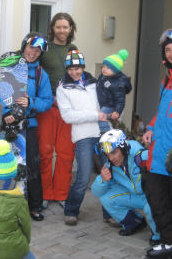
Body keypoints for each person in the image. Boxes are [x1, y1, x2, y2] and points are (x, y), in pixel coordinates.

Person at [0, 32, 53, 221]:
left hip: (29, 124)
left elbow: (47, 101)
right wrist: (8, 110)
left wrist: (30, 101)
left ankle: (33, 205)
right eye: (31, 47)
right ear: (24, 45)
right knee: (5, 163)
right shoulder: (8, 64)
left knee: (32, 165)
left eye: (38, 50)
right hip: (6, 123)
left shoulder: (41, 74)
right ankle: (2, 203)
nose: (33, 53)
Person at [56, 49, 107, 225]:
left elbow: (105, 104)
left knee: (109, 173)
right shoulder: (63, 87)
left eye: (78, 68)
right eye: (71, 69)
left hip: (103, 133)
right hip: (83, 136)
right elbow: (68, 116)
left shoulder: (94, 82)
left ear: (83, 67)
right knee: (84, 177)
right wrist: (95, 115)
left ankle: (111, 214)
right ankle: (71, 210)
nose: (74, 72)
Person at [91, 129, 160, 246]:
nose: (111, 158)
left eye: (113, 152)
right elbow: (96, 192)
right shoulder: (111, 166)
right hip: (136, 197)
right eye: (107, 155)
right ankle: (135, 223)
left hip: (151, 195)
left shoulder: (140, 156)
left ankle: (159, 236)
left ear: (123, 148)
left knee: (150, 208)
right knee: (106, 198)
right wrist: (102, 179)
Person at [37, 12, 77, 209]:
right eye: (58, 26)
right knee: (44, 151)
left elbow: (79, 76)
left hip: (68, 107)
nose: (62, 30)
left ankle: (61, 194)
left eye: (66, 27)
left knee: (66, 153)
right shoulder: (44, 48)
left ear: (71, 29)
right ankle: (45, 193)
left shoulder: (73, 49)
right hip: (48, 106)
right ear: (52, 28)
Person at [142, 29, 172, 258]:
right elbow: (161, 113)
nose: (171, 53)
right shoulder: (166, 81)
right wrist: (150, 129)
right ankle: (167, 240)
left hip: (170, 154)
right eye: (168, 50)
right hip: (159, 152)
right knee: (155, 195)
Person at [96, 49, 132, 133]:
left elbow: (120, 100)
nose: (104, 69)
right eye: (103, 66)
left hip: (110, 106)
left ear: (115, 70)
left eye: (108, 68)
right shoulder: (103, 77)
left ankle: (109, 133)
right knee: (99, 118)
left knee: (100, 119)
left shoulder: (118, 84)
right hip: (102, 104)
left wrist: (117, 111)